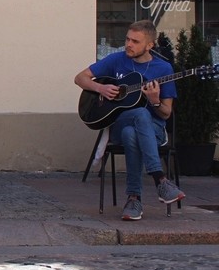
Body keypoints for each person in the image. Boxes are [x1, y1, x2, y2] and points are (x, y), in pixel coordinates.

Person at [74, 20, 185, 221]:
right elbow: (80, 78)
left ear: (150, 45)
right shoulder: (116, 60)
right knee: (137, 117)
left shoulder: (163, 69)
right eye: (127, 39)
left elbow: (166, 113)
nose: (128, 44)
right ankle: (160, 179)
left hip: (154, 131)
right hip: (119, 124)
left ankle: (134, 199)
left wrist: (154, 101)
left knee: (132, 131)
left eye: (135, 41)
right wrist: (101, 88)